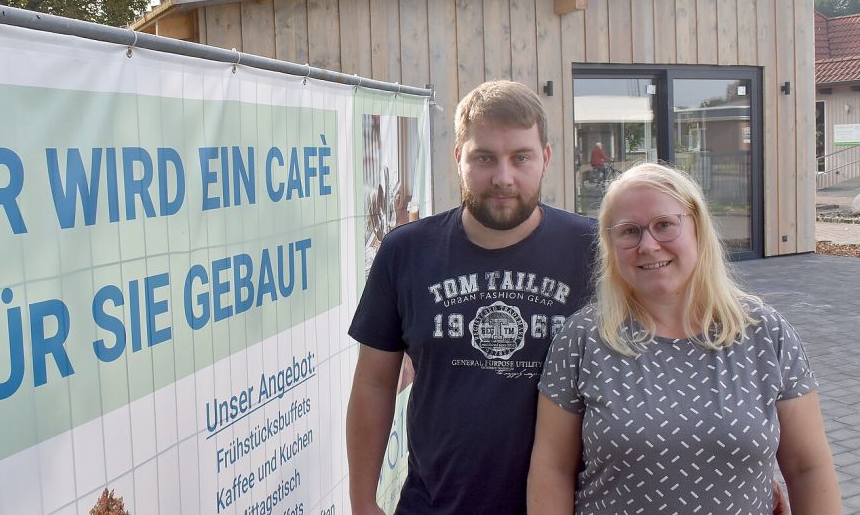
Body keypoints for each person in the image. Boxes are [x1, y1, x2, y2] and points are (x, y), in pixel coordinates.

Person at [527, 163, 841, 514]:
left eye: (664, 225)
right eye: (629, 231)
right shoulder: (583, 339)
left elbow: (807, 468)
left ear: (697, 228)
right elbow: (552, 469)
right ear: (610, 244)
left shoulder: (765, 333)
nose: (648, 245)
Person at [345, 80, 597, 514]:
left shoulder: (592, 251)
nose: (503, 178)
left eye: (521, 157)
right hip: (436, 503)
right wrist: (362, 501)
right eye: (484, 158)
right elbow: (373, 382)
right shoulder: (406, 251)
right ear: (458, 156)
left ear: (546, 158)